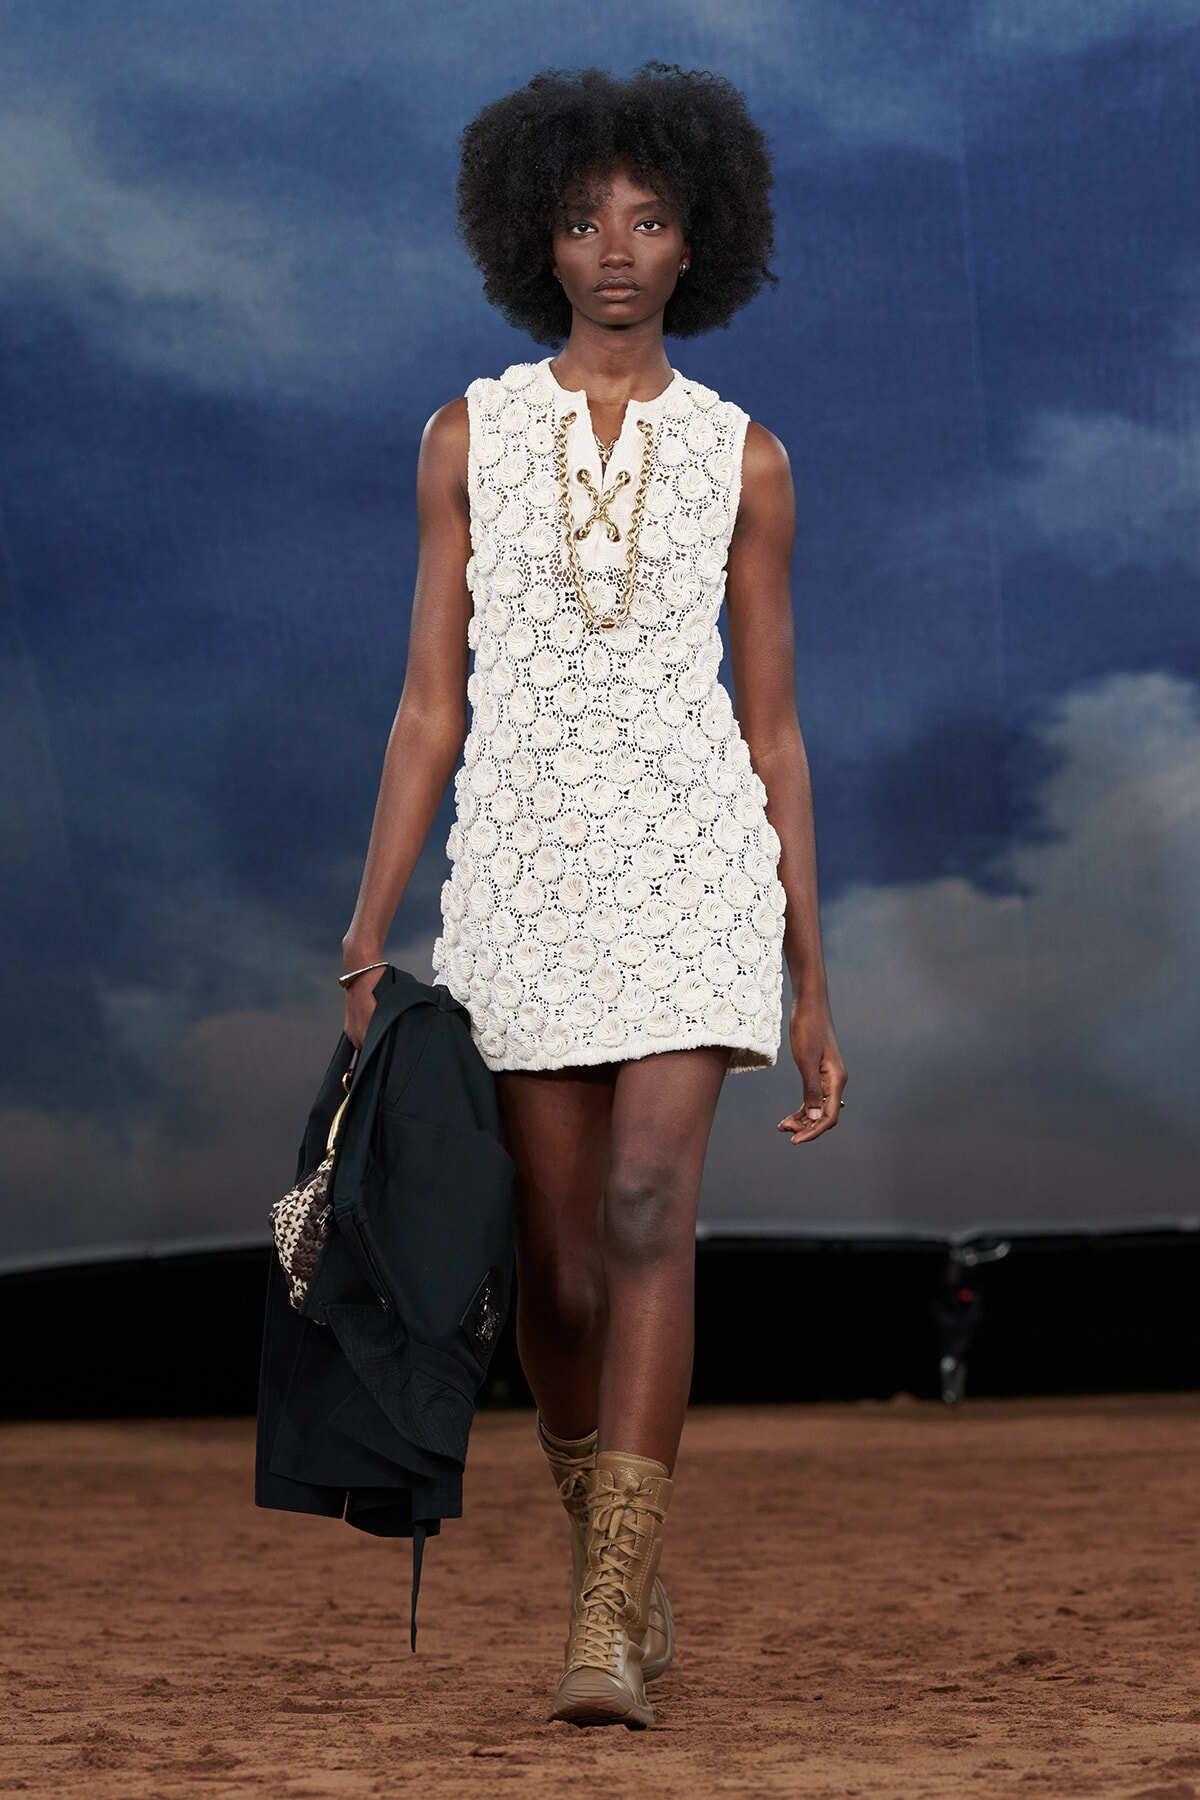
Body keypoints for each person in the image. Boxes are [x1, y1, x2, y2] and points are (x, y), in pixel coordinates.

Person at [339, 64, 847, 1730]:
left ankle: (606, 1624)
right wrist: (373, 916)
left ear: (699, 238)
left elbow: (771, 726)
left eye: (646, 217)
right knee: (552, 1272)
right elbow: (431, 702)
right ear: (534, 244)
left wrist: (808, 975)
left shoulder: (748, 460)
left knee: (646, 1212)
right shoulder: (467, 435)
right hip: (523, 875)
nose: (615, 249)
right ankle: (610, 1562)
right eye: (580, 221)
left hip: (695, 865)